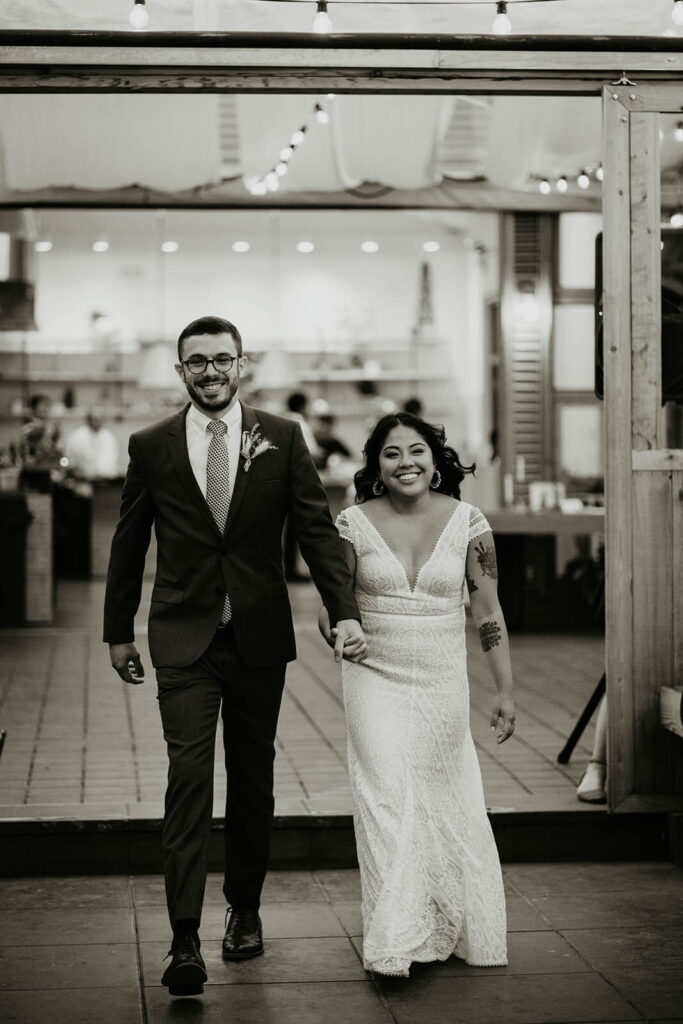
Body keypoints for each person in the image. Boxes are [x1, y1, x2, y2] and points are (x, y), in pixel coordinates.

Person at [103, 316, 365, 997]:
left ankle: (244, 910)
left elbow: (313, 527)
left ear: (241, 364)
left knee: (253, 778)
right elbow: (129, 542)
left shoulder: (280, 437)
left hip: (256, 635)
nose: (210, 370)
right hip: (182, 635)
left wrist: (344, 613)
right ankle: (183, 937)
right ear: (180, 371)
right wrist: (117, 631)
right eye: (197, 361)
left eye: (222, 359)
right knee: (188, 776)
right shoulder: (152, 444)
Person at [319, 411, 515, 976]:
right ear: (376, 466)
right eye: (391, 453)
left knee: (441, 796)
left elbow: (488, 611)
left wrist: (505, 690)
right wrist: (341, 630)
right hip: (373, 674)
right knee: (384, 793)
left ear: (435, 460)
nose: (405, 462)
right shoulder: (352, 522)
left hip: (441, 678)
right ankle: (395, 936)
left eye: (416, 451)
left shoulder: (470, 523)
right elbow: (334, 605)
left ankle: (443, 919)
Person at [282, 391, 320, 580]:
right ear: (303, 406)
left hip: (280, 480)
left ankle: (287, 568)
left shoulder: (279, 420)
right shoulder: (301, 424)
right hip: (297, 481)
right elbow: (311, 452)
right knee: (298, 527)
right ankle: (292, 569)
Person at [64, 405, 120, 482]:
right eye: (94, 418)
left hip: (107, 482)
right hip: (84, 482)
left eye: (100, 418)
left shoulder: (109, 437)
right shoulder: (76, 437)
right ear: (88, 419)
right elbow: (70, 462)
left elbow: (113, 461)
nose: (97, 421)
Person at [18, 393, 62, 467]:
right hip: (31, 468)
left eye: (48, 405)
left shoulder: (52, 426)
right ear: (34, 409)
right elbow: (25, 447)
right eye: (43, 405)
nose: (46, 408)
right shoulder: (28, 427)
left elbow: (56, 445)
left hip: (48, 467)